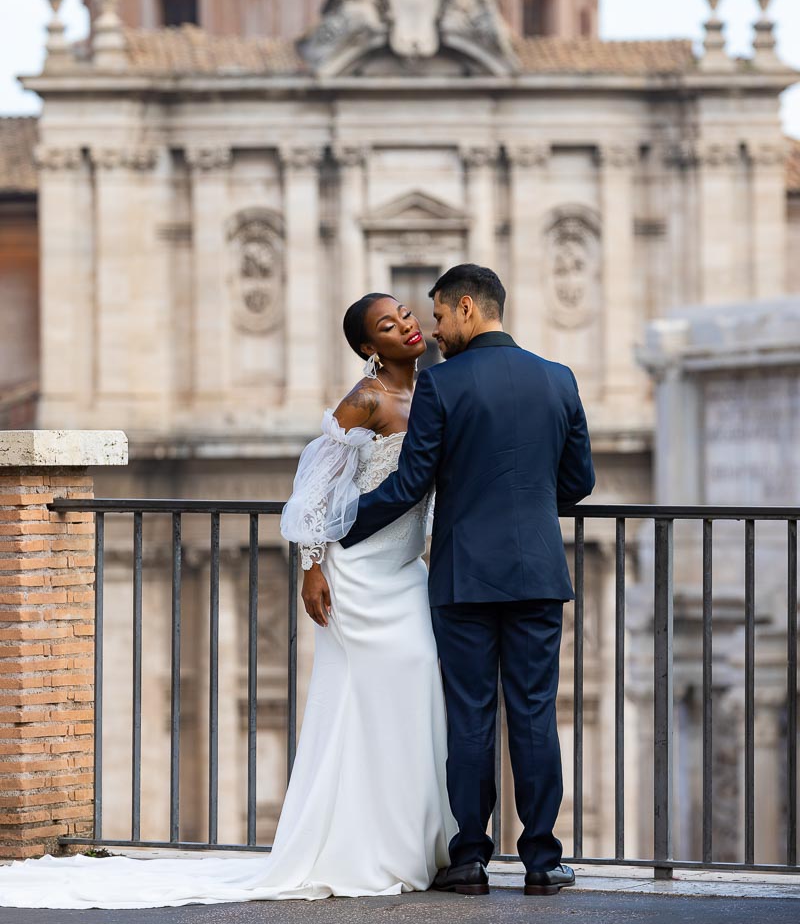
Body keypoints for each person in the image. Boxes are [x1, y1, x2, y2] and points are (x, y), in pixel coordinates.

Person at [0, 295, 454, 909]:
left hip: (404, 570)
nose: (405, 323)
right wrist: (311, 566)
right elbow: (314, 487)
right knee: (361, 701)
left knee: (413, 690)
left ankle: (410, 840)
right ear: (371, 348)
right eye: (386, 324)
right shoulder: (366, 399)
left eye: (403, 312)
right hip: (359, 574)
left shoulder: (438, 390)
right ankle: (363, 846)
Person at [330, 264, 595, 897]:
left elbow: (410, 484)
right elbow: (579, 482)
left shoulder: (442, 387)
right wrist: (528, 504)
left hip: (463, 576)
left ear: (468, 308)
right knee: (533, 714)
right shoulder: (558, 380)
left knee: (470, 716)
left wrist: (337, 528)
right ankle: (540, 860)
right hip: (536, 572)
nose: (437, 331)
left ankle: (471, 858)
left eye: (442, 317)